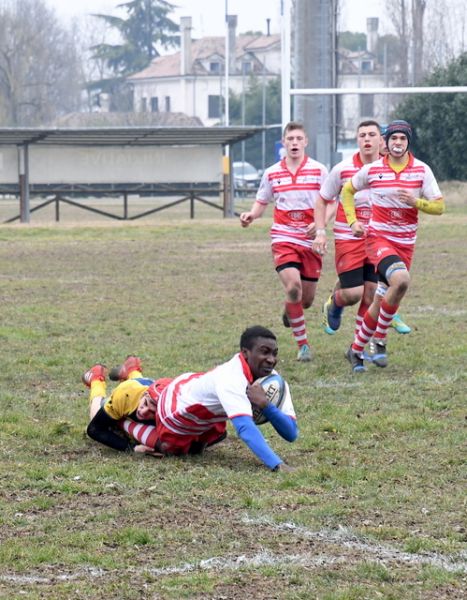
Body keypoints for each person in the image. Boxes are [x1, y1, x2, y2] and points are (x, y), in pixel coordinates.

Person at [340, 120, 444, 372]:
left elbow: (439, 206)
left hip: (405, 244)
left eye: (403, 139)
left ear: (408, 142)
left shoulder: (421, 170)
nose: (398, 143)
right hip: (378, 240)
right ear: (386, 142)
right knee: (402, 281)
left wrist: (416, 202)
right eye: (393, 139)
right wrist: (353, 221)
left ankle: (355, 350)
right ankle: (380, 339)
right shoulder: (374, 169)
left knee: (382, 298)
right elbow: (347, 191)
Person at [136, 326, 297, 471]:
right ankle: (125, 420)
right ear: (245, 353)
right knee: (172, 450)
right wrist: (278, 465)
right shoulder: (232, 378)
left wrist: (266, 405)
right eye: (264, 351)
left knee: (209, 439)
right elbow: (245, 429)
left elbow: (291, 433)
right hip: (174, 409)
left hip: (197, 391)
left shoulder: (274, 381)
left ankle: (135, 376)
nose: (271, 359)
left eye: (274, 353)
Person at [313, 121, 412, 343]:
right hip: (348, 238)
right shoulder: (342, 169)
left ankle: (359, 347)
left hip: (377, 238)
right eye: (362, 135)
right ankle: (335, 302)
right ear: (357, 140)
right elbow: (322, 200)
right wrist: (321, 231)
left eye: (372, 135)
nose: (367, 139)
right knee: (353, 294)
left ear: (381, 140)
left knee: (371, 293)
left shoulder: (391, 168)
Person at [239, 122, 330, 362]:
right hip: (284, 236)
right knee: (293, 287)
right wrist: (251, 215)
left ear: (305, 142)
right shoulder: (272, 173)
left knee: (306, 300)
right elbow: (262, 201)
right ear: (284, 142)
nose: (294, 143)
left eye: (299, 138)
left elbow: (332, 202)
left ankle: (290, 308)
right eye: (290, 139)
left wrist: (321, 225)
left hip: (310, 240)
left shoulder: (319, 170)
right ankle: (304, 346)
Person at [82, 355, 171, 454]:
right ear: (145, 395)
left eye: (152, 412)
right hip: (132, 392)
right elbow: (95, 429)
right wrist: (132, 448)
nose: (143, 411)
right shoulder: (125, 395)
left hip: (146, 385)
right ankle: (96, 378)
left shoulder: (170, 412)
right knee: (96, 414)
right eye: (145, 404)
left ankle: (132, 370)